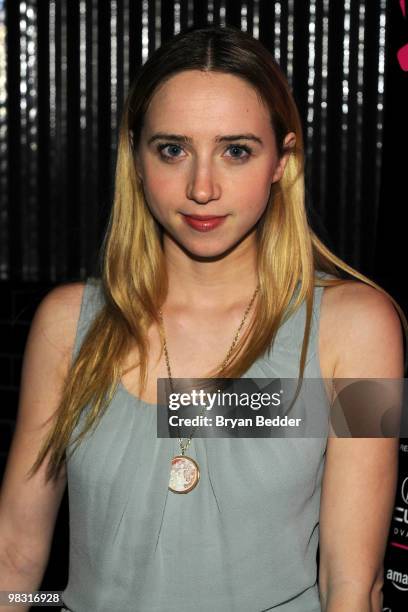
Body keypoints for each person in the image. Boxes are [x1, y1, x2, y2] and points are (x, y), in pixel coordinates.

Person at [0, 25, 406, 612]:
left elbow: (354, 583)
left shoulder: (362, 327)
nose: (202, 187)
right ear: (136, 158)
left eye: (236, 150)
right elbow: (13, 555)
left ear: (281, 161)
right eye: (173, 149)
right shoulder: (66, 326)